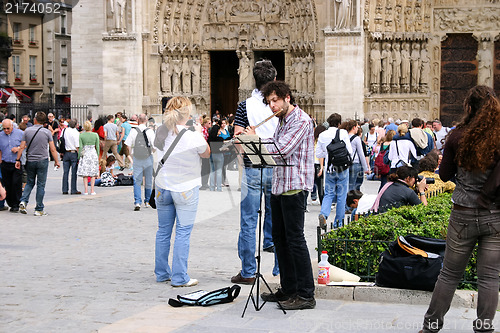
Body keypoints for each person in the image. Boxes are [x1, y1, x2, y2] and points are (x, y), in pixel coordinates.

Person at [420, 86, 500, 333]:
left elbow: (444, 174)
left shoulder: (457, 135)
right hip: (494, 213)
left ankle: (431, 326)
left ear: (468, 107)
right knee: (488, 278)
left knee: (450, 274)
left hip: (463, 211)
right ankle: (484, 326)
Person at [247, 80, 316, 310]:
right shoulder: (282, 120)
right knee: (279, 239)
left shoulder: (302, 121)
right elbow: (275, 143)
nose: (272, 106)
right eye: (269, 102)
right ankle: (288, 288)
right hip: (279, 185)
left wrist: (255, 140)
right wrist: (250, 140)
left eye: (275, 100)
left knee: (295, 240)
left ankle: (306, 294)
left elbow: (282, 150)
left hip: (295, 186)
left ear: (287, 97)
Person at [231, 59, 279, 285]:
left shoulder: (244, 105)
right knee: (279, 218)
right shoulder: (279, 104)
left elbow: (238, 136)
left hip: (254, 166)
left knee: (249, 221)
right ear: (275, 79)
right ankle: (280, 268)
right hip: (278, 168)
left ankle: (248, 272)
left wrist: (244, 159)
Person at [154, 96, 210, 287]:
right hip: (185, 188)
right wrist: (199, 131)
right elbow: (206, 153)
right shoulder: (192, 135)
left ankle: (162, 273)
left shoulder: (160, 132)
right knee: (183, 232)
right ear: (187, 113)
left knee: (163, 231)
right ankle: (179, 277)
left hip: (163, 187)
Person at [15, 112, 61, 216]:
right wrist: (57, 161)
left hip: (30, 160)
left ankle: (23, 201)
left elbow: (22, 146)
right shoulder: (47, 132)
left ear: (35, 120)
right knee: (41, 184)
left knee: (30, 182)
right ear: (44, 122)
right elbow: (53, 149)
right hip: (42, 160)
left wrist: (18, 160)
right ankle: (39, 208)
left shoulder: (27, 131)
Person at [316, 113, 353, 228]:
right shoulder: (343, 133)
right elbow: (350, 151)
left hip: (330, 169)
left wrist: (328, 154)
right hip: (342, 168)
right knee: (342, 195)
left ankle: (324, 214)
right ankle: (339, 222)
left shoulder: (322, 135)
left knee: (328, 193)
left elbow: (318, 153)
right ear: (339, 123)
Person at [125, 113, 155, 211]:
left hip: (137, 157)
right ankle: (147, 201)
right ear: (146, 120)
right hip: (148, 157)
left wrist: (131, 155)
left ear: (138, 120)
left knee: (137, 181)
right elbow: (154, 146)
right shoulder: (150, 131)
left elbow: (128, 145)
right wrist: (151, 152)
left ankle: (137, 202)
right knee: (148, 180)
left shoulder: (133, 131)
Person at [0, 119, 23, 212]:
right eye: (4, 128)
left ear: (12, 126)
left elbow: (25, 145)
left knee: (16, 183)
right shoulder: (0, 135)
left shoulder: (20, 133)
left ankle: (16, 203)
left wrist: (18, 148)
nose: (6, 130)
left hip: (16, 162)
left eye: (8, 128)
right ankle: (10, 202)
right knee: (8, 184)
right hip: (5, 163)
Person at [77, 121, 100, 195]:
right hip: (93, 153)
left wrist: (79, 156)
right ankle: (92, 190)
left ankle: (86, 190)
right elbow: (98, 146)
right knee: (93, 173)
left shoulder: (81, 135)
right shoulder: (95, 135)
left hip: (85, 153)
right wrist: (98, 155)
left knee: (85, 173)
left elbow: (80, 147)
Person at [61, 119, 81, 195]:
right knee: (74, 172)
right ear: (76, 125)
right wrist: (79, 156)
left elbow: (61, 140)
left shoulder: (64, 130)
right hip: (73, 153)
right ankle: (73, 189)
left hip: (66, 152)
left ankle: (65, 189)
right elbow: (77, 146)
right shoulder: (76, 133)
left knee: (65, 172)